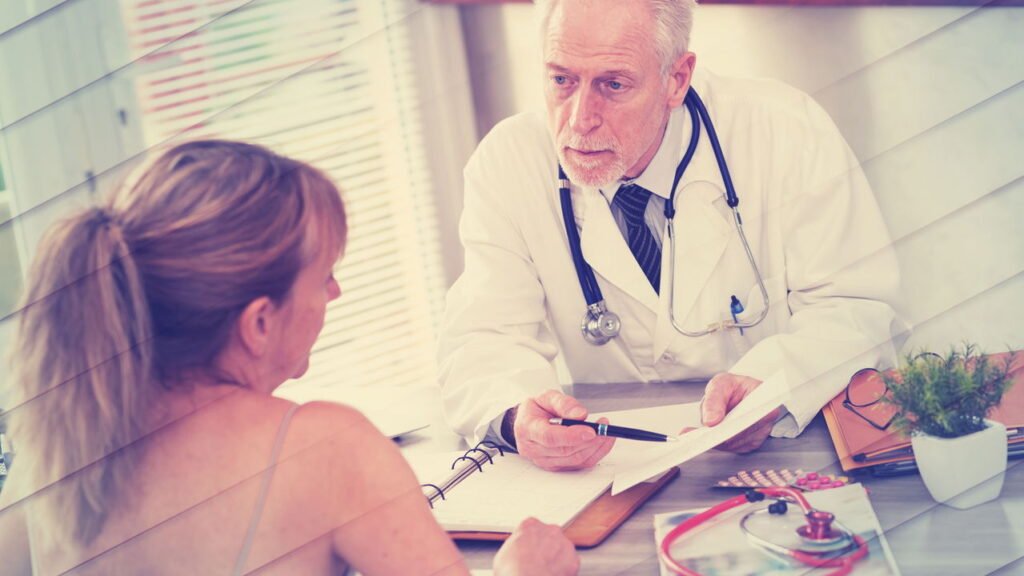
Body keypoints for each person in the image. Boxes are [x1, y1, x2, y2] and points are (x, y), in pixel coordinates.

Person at [0, 140, 579, 575]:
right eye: (323, 275)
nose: (335, 292)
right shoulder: (325, 449)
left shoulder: (52, 448)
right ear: (258, 323)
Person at [438, 0, 905, 470]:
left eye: (613, 84)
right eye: (562, 80)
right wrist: (517, 415)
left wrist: (776, 385)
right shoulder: (508, 162)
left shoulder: (786, 131)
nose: (579, 119)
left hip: (787, 459)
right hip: (612, 469)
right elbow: (485, 337)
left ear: (676, 79)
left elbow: (854, 308)